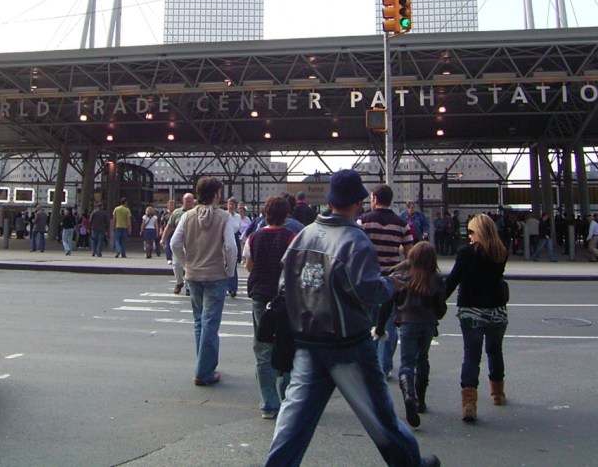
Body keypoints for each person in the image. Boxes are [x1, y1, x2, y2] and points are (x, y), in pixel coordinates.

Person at [266, 169, 439, 467]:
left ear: (330, 201)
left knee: (294, 417)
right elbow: (368, 290)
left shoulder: (305, 235)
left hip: (308, 338)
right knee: (379, 414)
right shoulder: (354, 240)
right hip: (347, 342)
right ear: (358, 202)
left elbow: (284, 286)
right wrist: (391, 285)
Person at [170, 177, 237, 387]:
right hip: (215, 275)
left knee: (199, 321)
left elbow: (174, 243)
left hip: (193, 275)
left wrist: (186, 263)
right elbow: (231, 247)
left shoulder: (187, 216)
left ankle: (204, 364)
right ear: (216, 194)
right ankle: (204, 371)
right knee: (210, 323)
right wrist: (230, 270)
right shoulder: (224, 217)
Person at [444, 213, 508, 423]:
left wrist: (437, 302)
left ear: (479, 232)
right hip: (497, 311)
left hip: (471, 311)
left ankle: (469, 404)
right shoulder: (501, 252)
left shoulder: (466, 254)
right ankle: (497, 393)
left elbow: (453, 280)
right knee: (495, 351)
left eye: (471, 232)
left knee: (471, 356)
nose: (469, 236)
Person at [376, 242, 447, 428]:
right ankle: (420, 400)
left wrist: (380, 327)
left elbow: (387, 304)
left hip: (407, 322)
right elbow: (441, 309)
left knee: (407, 362)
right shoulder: (435, 279)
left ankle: (409, 395)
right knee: (422, 358)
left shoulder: (401, 275)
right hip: (428, 323)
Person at [245, 195, 295, 419]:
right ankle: (288, 399)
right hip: (285, 299)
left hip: (260, 296)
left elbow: (249, 265)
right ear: (286, 215)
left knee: (263, 348)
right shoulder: (291, 237)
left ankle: (268, 403)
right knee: (287, 346)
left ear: (266, 213)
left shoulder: (254, 237)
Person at [358, 184, 414, 380]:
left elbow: (356, 249)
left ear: (374, 198)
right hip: (391, 280)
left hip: (368, 279)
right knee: (388, 322)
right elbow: (410, 255)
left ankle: (369, 363)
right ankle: (385, 366)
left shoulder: (363, 221)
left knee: (368, 323)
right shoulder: (402, 224)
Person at [161, 193, 195, 294]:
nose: (188, 203)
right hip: (179, 242)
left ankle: (188, 287)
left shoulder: (196, 212)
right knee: (176, 264)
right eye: (186, 201)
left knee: (189, 265)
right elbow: (169, 226)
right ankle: (179, 282)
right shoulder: (177, 212)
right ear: (183, 201)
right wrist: (163, 238)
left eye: (190, 201)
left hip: (192, 242)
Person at [159, 200, 176, 264]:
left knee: (175, 244)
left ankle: (175, 257)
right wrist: (161, 230)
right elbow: (161, 222)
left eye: (172, 205)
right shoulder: (164, 213)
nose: (171, 206)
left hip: (175, 230)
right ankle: (169, 258)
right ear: (167, 206)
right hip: (167, 231)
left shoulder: (176, 213)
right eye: (170, 205)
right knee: (167, 244)